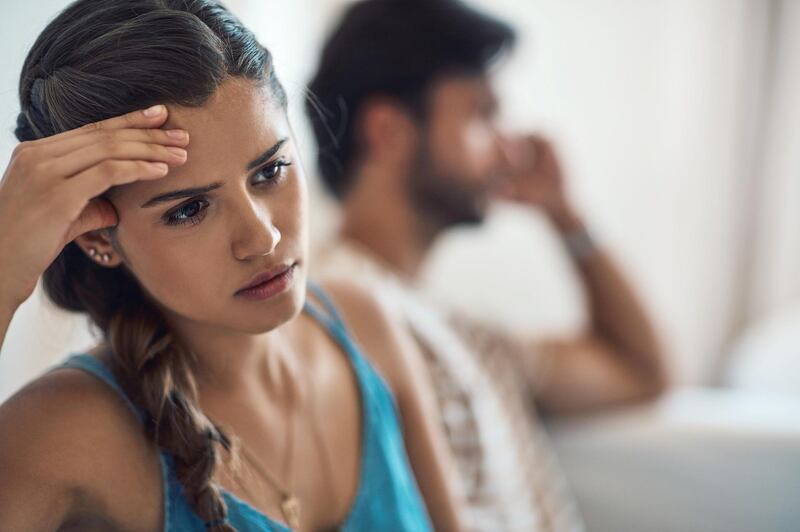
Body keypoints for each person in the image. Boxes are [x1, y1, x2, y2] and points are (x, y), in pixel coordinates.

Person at [0, 1, 464, 530]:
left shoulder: (366, 325)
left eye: (270, 171)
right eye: (189, 209)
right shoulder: (63, 437)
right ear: (97, 240)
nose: (261, 237)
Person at [307, 0, 670, 530]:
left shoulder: (462, 328)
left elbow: (641, 372)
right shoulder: (335, 310)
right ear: (388, 130)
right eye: (482, 114)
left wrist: (567, 216)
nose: (508, 148)